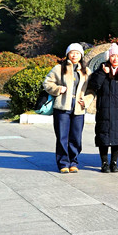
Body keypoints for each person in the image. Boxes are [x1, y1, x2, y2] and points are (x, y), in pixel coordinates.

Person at [43, 43, 93, 173]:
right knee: (62, 137)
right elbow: (47, 83)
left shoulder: (86, 71)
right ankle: (63, 163)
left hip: (78, 109)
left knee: (76, 137)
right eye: (72, 53)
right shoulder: (59, 68)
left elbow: (92, 90)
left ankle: (73, 161)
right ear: (67, 54)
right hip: (62, 107)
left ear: (81, 55)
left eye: (77, 53)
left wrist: (86, 100)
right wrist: (58, 89)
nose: (74, 55)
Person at [90, 43, 118, 173]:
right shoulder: (101, 69)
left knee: (117, 137)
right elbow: (94, 85)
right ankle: (104, 163)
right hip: (104, 108)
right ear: (108, 57)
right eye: (113, 56)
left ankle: (114, 162)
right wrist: (103, 73)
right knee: (103, 136)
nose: (115, 59)